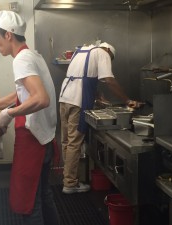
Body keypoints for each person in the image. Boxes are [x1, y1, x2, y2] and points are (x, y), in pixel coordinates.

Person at [0, 10, 60, 225]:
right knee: (44, 196)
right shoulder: (32, 55)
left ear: (8, 35)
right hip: (45, 140)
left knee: (28, 204)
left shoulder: (21, 60)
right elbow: (20, 93)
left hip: (33, 141)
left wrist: (8, 114)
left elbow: (41, 98)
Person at [59, 42, 142, 194]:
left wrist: (97, 95)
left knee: (66, 141)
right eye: (110, 59)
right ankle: (70, 184)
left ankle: (68, 178)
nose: (108, 61)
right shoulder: (103, 53)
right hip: (78, 101)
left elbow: (82, 76)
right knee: (74, 143)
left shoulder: (82, 51)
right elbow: (109, 80)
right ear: (109, 51)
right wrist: (127, 100)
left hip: (64, 99)